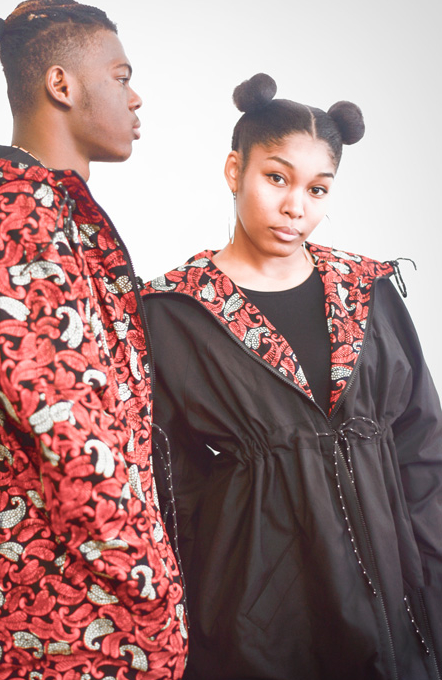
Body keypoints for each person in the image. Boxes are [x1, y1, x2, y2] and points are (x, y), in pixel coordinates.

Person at [0, 2, 188, 678]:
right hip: (61, 628)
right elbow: (67, 423)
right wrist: (151, 585)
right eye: (121, 76)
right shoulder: (17, 214)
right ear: (61, 84)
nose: (135, 97)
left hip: (40, 614)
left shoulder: (39, 210)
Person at [143, 73, 442, 680]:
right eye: (277, 178)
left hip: (394, 607)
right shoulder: (173, 312)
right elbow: (166, 489)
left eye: (318, 188)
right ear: (235, 170)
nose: (295, 207)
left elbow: (423, 449)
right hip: (256, 622)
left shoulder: (368, 291)